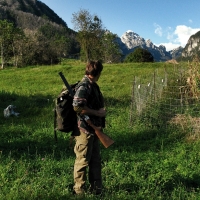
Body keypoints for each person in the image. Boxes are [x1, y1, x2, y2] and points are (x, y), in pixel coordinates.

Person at [72, 60, 106, 195]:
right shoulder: (85, 86)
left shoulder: (92, 85)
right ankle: (79, 191)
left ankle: (97, 189)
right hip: (85, 130)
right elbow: (77, 107)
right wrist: (97, 113)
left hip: (94, 130)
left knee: (95, 160)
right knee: (82, 161)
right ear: (97, 73)